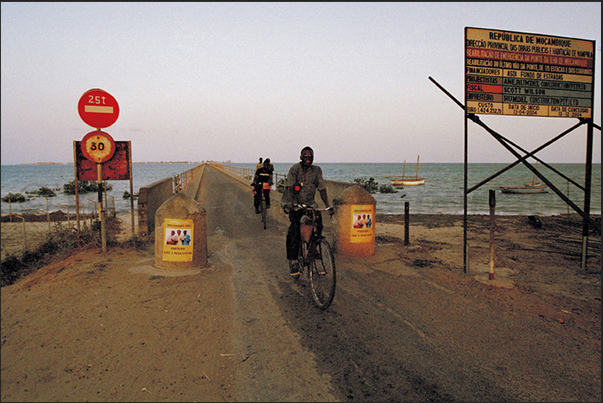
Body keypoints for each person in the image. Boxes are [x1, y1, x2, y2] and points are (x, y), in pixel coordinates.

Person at [283, 146, 333, 277]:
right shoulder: (295, 169)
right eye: (305, 157)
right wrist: (293, 203)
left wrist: (328, 205)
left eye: (310, 157)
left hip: (310, 204)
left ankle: (314, 247)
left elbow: (322, 188)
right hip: (295, 203)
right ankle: (294, 260)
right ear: (301, 157)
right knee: (294, 229)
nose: (308, 159)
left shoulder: (317, 170)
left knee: (318, 223)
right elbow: (290, 188)